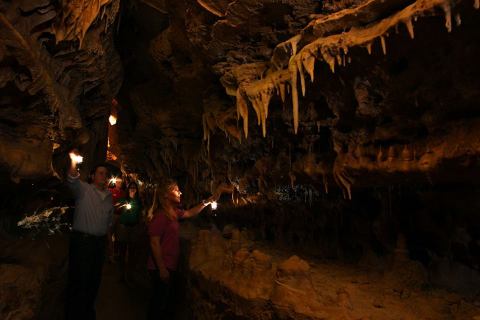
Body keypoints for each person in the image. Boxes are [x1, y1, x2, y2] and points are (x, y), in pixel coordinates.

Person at [146, 179, 217, 319]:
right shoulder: (161, 216)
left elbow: (189, 213)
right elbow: (154, 243)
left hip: (169, 265)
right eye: (176, 190)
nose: (180, 192)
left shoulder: (173, 212)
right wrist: (162, 269)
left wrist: (206, 202)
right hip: (160, 267)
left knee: (165, 302)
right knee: (159, 304)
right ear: (166, 195)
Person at [66, 150, 114, 320]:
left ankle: (87, 313)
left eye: (106, 174)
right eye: (100, 173)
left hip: (99, 244)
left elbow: (108, 224)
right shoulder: (84, 190)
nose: (104, 176)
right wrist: (73, 161)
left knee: (94, 281)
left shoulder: (109, 198)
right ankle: (74, 314)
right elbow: (72, 179)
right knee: (80, 281)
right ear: (93, 176)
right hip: (83, 243)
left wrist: (109, 245)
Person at [116, 182, 143, 284]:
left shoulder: (139, 201)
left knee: (132, 252)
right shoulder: (123, 199)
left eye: (134, 188)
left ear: (136, 189)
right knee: (122, 252)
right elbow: (117, 207)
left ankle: (130, 274)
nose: (132, 189)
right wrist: (122, 205)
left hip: (134, 228)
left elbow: (141, 213)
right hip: (123, 227)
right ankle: (121, 275)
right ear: (128, 189)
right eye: (131, 188)